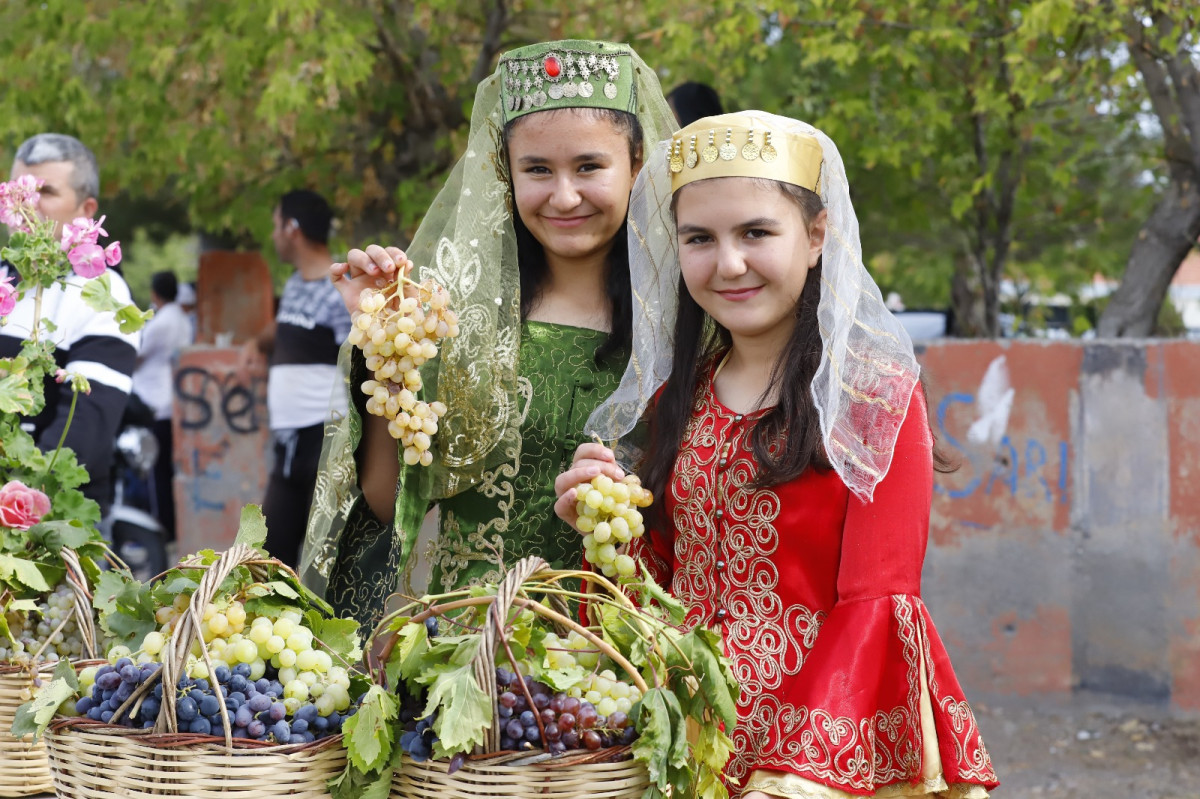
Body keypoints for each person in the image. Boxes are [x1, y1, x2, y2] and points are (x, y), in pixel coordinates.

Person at [554, 112, 999, 798]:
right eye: (700, 238)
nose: (728, 263)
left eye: (756, 232)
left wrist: (790, 780)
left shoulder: (874, 400)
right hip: (683, 747)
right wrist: (602, 531)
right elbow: (660, 585)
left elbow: (876, 604)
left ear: (816, 236)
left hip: (814, 762)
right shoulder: (679, 396)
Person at [300, 39, 677, 628]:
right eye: (537, 170)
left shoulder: (684, 324)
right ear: (506, 173)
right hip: (466, 657)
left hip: (622, 660)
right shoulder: (453, 315)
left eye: (589, 167)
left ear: (637, 161)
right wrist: (383, 345)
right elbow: (385, 499)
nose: (565, 195)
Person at [0, 133, 140, 517]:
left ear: (85, 209)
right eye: (18, 191)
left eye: (45, 191)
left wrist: (12, 504)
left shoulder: (102, 294)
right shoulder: (3, 282)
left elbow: (82, 436)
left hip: (50, 526)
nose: (27, 204)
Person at [238, 189, 351, 569]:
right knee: (271, 559)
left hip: (323, 439)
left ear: (292, 228)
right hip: (288, 442)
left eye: (275, 226)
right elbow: (286, 327)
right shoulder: (298, 284)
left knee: (324, 560)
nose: (273, 235)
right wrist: (257, 342)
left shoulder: (341, 288)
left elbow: (360, 360)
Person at [131, 270, 193, 539]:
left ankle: (160, 528)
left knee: (156, 472)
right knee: (166, 470)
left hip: (153, 403)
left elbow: (137, 354)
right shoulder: (182, 319)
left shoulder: (159, 323)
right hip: (172, 402)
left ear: (154, 294)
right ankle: (169, 526)